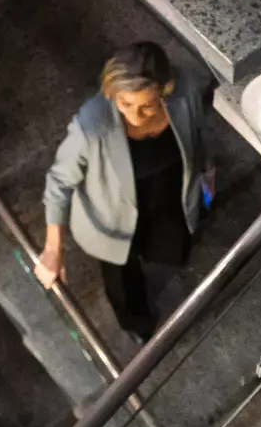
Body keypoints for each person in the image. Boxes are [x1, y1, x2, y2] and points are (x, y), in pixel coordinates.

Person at [38, 42, 215, 341]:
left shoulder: (184, 90)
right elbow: (59, 182)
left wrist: (208, 176)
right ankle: (138, 324)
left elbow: (198, 136)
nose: (136, 116)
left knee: (174, 243)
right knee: (122, 278)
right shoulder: (92, 123)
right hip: (111, 215)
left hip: (167, 195)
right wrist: (53, 249)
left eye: (147, 105)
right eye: (125, 104)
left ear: (166, 90)